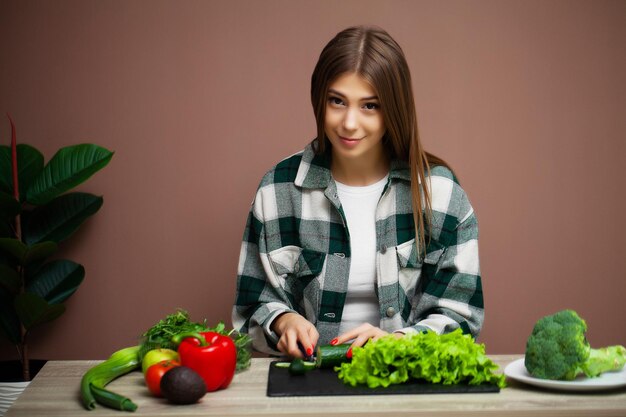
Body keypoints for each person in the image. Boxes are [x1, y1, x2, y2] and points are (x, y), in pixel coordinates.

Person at [232, 25, 483, 359]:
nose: (349, 123)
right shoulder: (277, 190)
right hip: (308, 389)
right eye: (337, 101)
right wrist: (282, 320)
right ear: (319, 99)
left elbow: (462, 315)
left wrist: (401, 342)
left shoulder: (440, 194)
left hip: (405, 388)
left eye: (369, 106)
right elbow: (249, 312)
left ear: (394, 110)